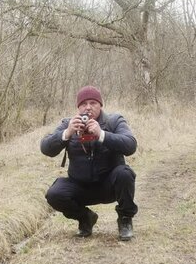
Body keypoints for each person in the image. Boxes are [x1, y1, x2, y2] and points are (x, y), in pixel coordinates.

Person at [40, 86, 138, 241]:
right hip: (80, 187)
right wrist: (67, 133)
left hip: (109, 185)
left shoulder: (114, 121)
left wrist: (102, 134)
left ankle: (125, 219)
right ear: (78, 107)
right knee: (54, 194)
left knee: (124, 174)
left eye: (93, 103)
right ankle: (86, 218)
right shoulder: (68, 124)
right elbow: (45, 148)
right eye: (83, 104)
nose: (88, 107)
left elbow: (131, 145)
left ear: (100, 105)